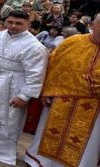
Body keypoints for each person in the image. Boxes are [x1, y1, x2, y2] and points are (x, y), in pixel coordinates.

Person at [0, 11, 48, 165]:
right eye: (10, 22)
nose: (13, 26)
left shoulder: (35, 47)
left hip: (13, 86)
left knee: (8, 118)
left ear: (28, 24)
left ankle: (0, 150)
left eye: (18, 23)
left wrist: (24, 96)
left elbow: (36, 74)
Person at [24, 14, 100, 167]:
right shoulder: (74, 42)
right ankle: (41, 162)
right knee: (51, 133)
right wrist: (46, 90)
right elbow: (53, 65)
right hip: (60, 99)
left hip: (95, 107)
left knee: (87, 143)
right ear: (93, 25)